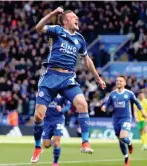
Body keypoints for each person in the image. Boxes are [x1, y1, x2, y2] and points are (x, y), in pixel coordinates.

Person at [31, 7, 106, 163]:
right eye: (74, 17)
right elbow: (38, 28)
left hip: (68, 77)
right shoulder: (57, 30)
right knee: (38, 116)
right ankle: (38, 147)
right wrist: (52, 14)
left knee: (82, 104)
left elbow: (87, 60)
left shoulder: (80, 39)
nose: (77, 19)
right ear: (65, 21)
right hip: (51, 75)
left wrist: (98, 78)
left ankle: (85, 142)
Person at [101, 76, 144, 166]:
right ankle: (126, 157)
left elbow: (137, 102)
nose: (118, 82)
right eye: (117, 81)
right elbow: (108, 103)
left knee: (123, 137)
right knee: (120, 140)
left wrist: (142, 112)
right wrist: (104, 106)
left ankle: (130, 143)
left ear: (124, 83)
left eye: (120, 81)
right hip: (116, 119)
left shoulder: (129, 93)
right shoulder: (112, 94)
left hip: (126, 118)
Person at [41, 95, 71, 166]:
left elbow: (68, 105)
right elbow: (39, 104)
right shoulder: (45, 92)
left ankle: (55, 162)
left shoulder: (62, 93)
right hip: (47, 121)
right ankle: (53, 143)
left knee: (56, 142)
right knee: (46, 144)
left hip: (58, 119)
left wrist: (62, 109)